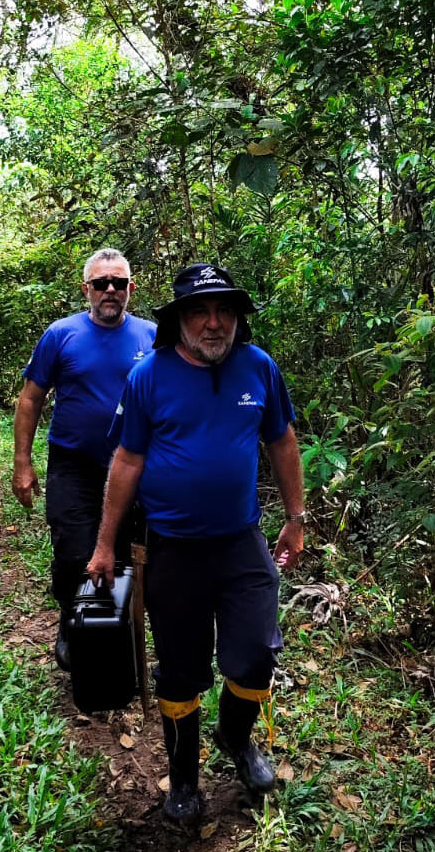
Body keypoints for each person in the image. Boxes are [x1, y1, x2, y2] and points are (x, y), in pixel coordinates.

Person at [86, 263, 306, 822]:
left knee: (255, 653)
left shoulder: (259, 368)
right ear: (178, 320)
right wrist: (105, 544)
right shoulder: (148, 376)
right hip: (173, 548)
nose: (214, 323)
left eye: (224, 310)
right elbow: (127, 460)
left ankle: (236, 738)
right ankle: (183, 776)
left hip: (241, 543)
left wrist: (296, 517)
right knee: (181, 669)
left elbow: (282, 441)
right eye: (200, 311)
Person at [13, 248, 156, 671]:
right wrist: (22, 462)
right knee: (75, 555)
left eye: (118, 282)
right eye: (100, 283)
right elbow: (31, 399)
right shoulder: (61, 335)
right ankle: (70, 622)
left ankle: (113, 644)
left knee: (125, 558)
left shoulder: (152, 337)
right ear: (86, 289)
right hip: (73, 464)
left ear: (130, 288)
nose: (110, 290)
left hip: (133, 468)